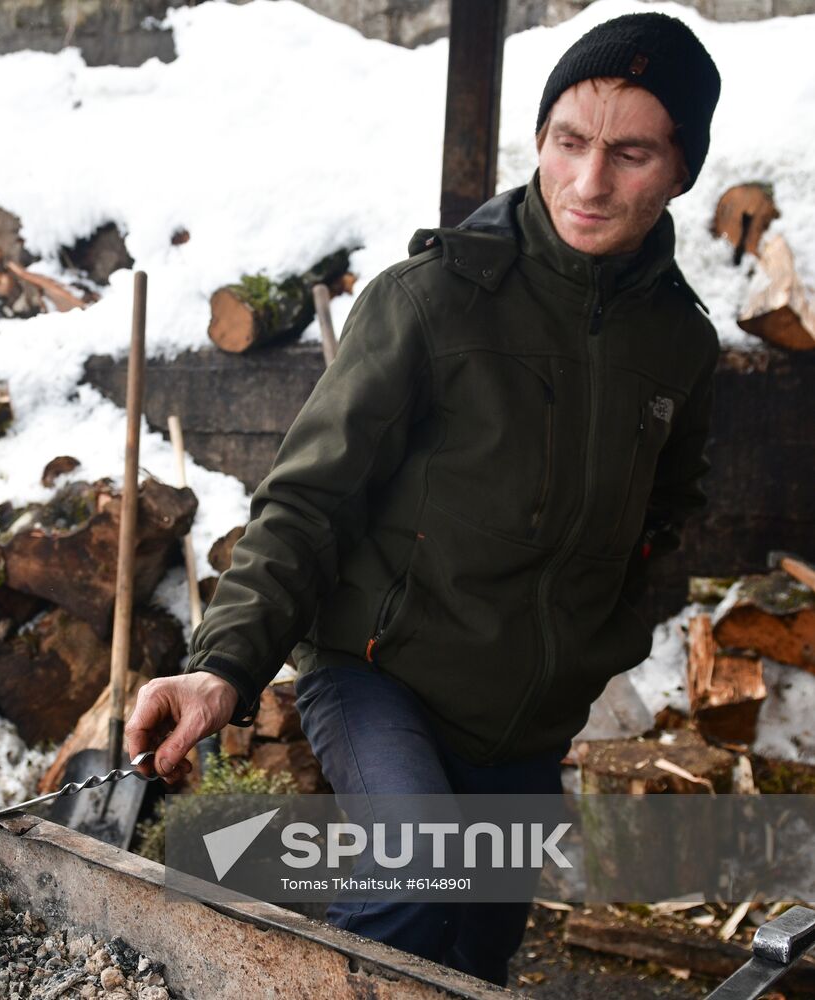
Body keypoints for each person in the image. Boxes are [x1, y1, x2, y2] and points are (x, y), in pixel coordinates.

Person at [125, 12, 722, 986]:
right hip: (379, 671)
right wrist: (223, 664)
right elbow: (307, 499)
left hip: (524, 714)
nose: (587, 181)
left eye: (630, 153)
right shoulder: (430, 300)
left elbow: (669, 514)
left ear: (681, 169)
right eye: (568, 142)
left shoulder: (678, 346)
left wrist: (599, 638)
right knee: (416, 875)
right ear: (539, 138)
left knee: (477, 951)